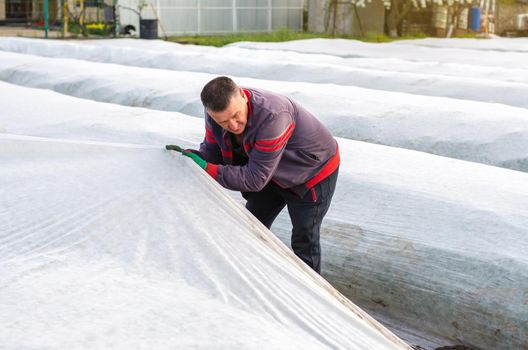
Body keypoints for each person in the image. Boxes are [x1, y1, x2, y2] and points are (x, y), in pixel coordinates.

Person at [168, 76, 339, 273]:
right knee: (250, 224)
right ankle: (252, 276)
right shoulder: (215, 116)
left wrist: (208, 168)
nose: (232, 125)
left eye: (235, 115)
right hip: (270, 172)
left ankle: (312, 296)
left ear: (242, 95)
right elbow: (212, 152)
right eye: (223, 121)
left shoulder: (274, 115)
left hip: (310, 173)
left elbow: (255, 179)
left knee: (304, 238)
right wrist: (194, 159)